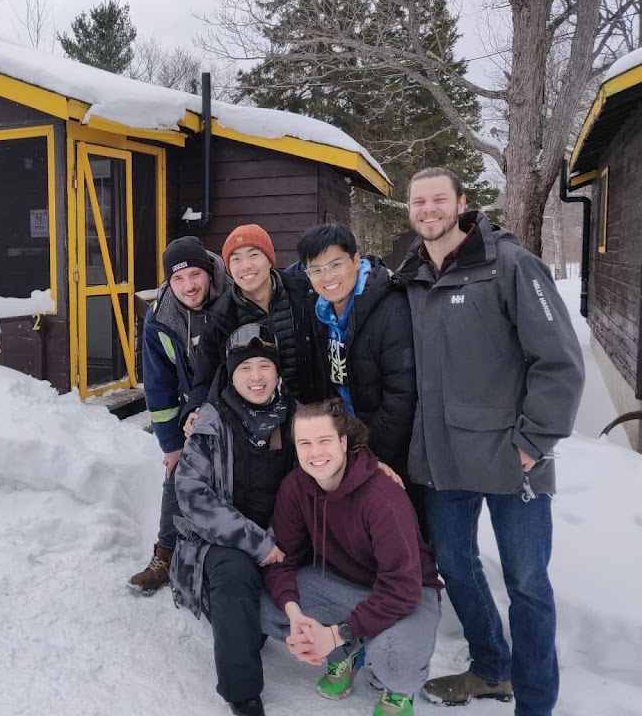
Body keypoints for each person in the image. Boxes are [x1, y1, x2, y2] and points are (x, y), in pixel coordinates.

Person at [393, 167, 585, 715]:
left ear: (461, 203)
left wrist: (532, 442)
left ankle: (536, 701)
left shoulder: (510, 265)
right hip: (443, 459)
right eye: (418, 201)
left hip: (511, 457)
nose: (428, 209)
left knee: (527, 584)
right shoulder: (410, 276)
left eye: (438, 199)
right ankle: (491, 669)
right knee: (455, 565)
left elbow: (560, 363)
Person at [261, 399, 442, 716]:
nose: (315, 453)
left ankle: (398, 689)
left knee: (392, 656)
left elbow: (402, 588)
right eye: (305, 443)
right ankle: (344, 652)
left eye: (324, 440)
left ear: (343, 442)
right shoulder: (295, 487)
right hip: (343, 586)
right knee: (267, 605)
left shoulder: (382, 496)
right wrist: (296, 616)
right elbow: (282, 559)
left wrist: (337, 632)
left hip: (409, 595)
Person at [169, 324, 295, 716]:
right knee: (236, 574)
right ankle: (243, 694)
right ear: (230, 373)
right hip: (222, 540)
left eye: (264, 366)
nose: (256, 376)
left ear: (277, 371)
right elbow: (192, 494)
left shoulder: (296, 416)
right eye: (245, 368)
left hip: (284, 535)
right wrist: (258, 542)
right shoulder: (210, 422)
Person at [294, 223, 422, 528]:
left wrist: (368, 455)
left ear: (355, 259)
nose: (328, 277)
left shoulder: (389, 308)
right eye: (316, 270)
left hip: (392, 453)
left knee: (398, 533)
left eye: (336, 264)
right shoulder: (320, 311)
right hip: (348, 445)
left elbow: (402, 396)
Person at [130, 236, 227, 594]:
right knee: (177, 475)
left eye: (195, 274)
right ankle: (165, 556)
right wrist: (171, 444)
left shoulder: (232, 298)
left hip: (241, 403)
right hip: (194, 411)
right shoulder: (160, 319)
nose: (189, 286)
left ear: (209, 272)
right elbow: (159, 387)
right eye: (178, 278)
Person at [183, 224, 329, 433]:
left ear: (270, 259)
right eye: (236, 259)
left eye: (253, 255)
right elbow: (206, 379)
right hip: (256, 429)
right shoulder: (220, 318)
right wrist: (194, 408)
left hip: (314, 416)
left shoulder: (305, 294)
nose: (246, 266)